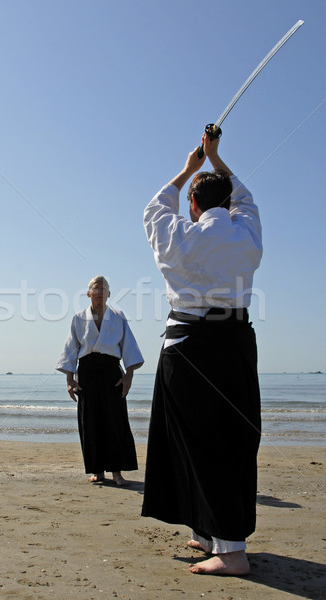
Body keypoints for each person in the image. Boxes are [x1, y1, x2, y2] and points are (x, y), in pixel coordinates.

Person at [141, 132, 263, 575]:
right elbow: (245, 199)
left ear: (193, 208)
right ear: (227, 206)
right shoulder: (246, 233)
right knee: (230, 436)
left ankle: (231, 551)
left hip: (189, 347)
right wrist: (216, 160)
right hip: (234, 343)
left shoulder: (181, 237)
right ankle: (210, 532)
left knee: (204, 440)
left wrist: (191, 166)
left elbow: (154, 208)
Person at [56, 276, 144, 486]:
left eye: (104, 288)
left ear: (109, 294)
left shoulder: (118, 317)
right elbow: (71, 349)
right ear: (89, 293)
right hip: (86, 373)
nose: (100, 291)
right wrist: (70, 379)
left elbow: (129, 347)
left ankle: (117, 472)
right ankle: (98, 471)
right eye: (96, 288)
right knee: (90, 421)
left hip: (111, 372)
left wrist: (128, 376)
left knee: (115, 420)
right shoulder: (78, 318)